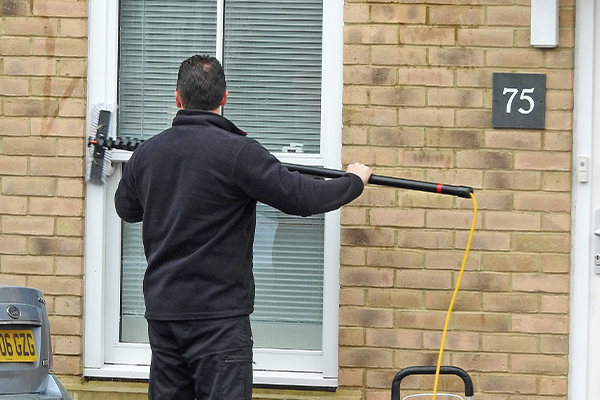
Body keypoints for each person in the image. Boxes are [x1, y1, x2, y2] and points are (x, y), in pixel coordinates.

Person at [114, 54, 372, 400]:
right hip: (218, 321)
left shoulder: (148, 154)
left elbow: (126, 209)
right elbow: (301, 198)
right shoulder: (238, 153)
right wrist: (353, 181)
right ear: (224, 98)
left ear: (178, 98)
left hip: (164, 316)